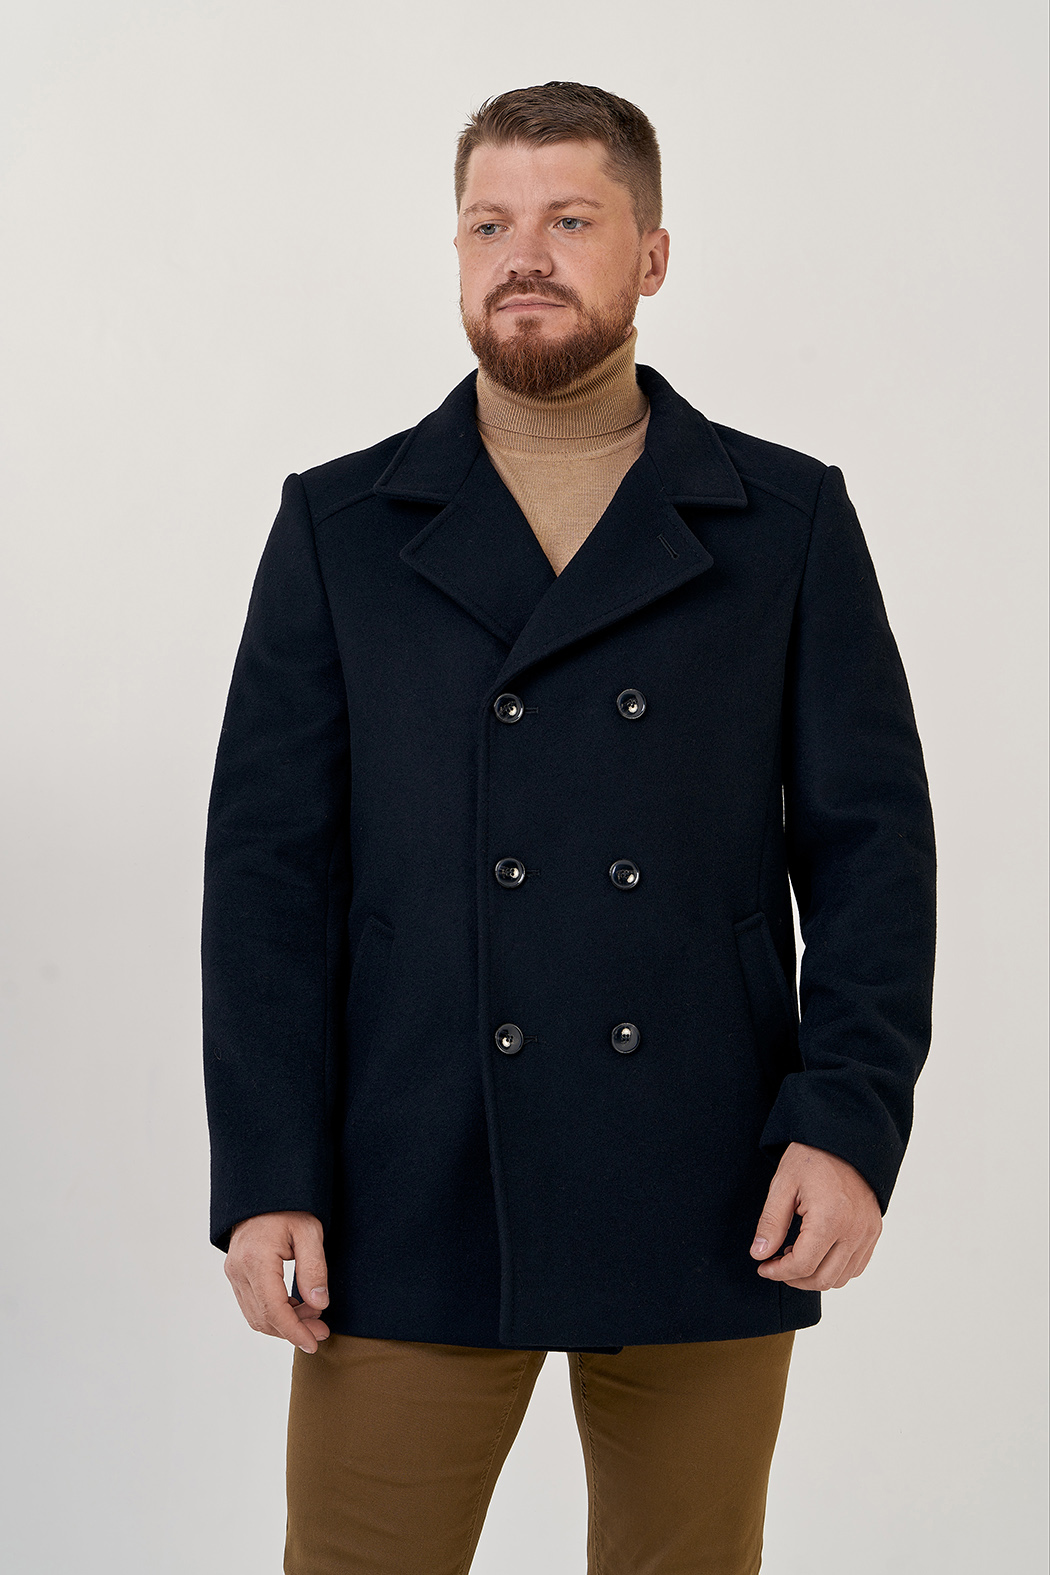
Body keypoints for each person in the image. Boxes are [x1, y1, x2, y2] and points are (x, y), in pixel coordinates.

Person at [202, 81, 936, 1575]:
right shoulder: (342, 528)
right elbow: (269, 875)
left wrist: (848, 1122)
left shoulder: (784, 520)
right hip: (409, 1168)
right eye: (488, 223)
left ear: (651, 255)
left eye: (568, 220)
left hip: (714, 1167)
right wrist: (268, 1170)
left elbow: (871, 851)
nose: (521, 255)